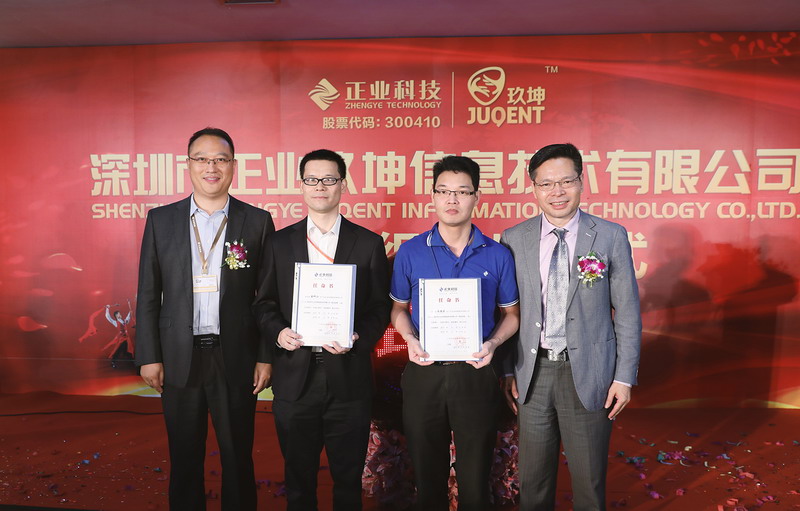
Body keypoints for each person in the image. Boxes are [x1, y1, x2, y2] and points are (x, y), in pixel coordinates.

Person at [136, 127, 275, 511]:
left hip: (236, 356)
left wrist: (265, 356)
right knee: (184, 457)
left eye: (220, 159)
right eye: (202, 159)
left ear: (233, 166)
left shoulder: (256, 221)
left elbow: (268, 298)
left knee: (237, 456)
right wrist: (149, 354)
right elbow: (148, 292)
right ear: (188, 164)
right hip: (178, 355)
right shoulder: (161, 220)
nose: (211, 167)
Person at [500, 143, 641, 511]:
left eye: (566, 181)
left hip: (591, 373)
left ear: (581, 182)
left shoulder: (609, 236)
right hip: (533, 372)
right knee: (532, 481)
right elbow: (508, 311)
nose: (557, 192)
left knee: (589, 482)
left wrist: (624, 378)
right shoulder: (514, 239)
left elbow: (627, 311)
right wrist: (507, 371)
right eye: (546, 184)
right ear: (534, 188)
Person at [254, 149, 391, 511]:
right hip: (295, 377)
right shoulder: (279, 243)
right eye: (312, 179)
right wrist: (278, 332)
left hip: (349, 379)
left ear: (342, 185)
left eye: (329, 179)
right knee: (298, 481)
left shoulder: (368, 243)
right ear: (301, 186)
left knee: (348, 481)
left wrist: (358, 337)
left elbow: (380, 308)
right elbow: (264, 303)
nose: (320, 186)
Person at [390, 155, 520, 511]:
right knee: (427, 480)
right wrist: (410, 340)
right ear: (433, 196)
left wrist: (493, 343)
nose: (452, 199)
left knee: (475, 481)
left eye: (462, 191)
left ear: (476, 196)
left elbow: (512, 314)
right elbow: (398, 309)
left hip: (475, 372)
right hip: (424, 372)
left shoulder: (497, 254)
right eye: (444, 191)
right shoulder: (410, 251)